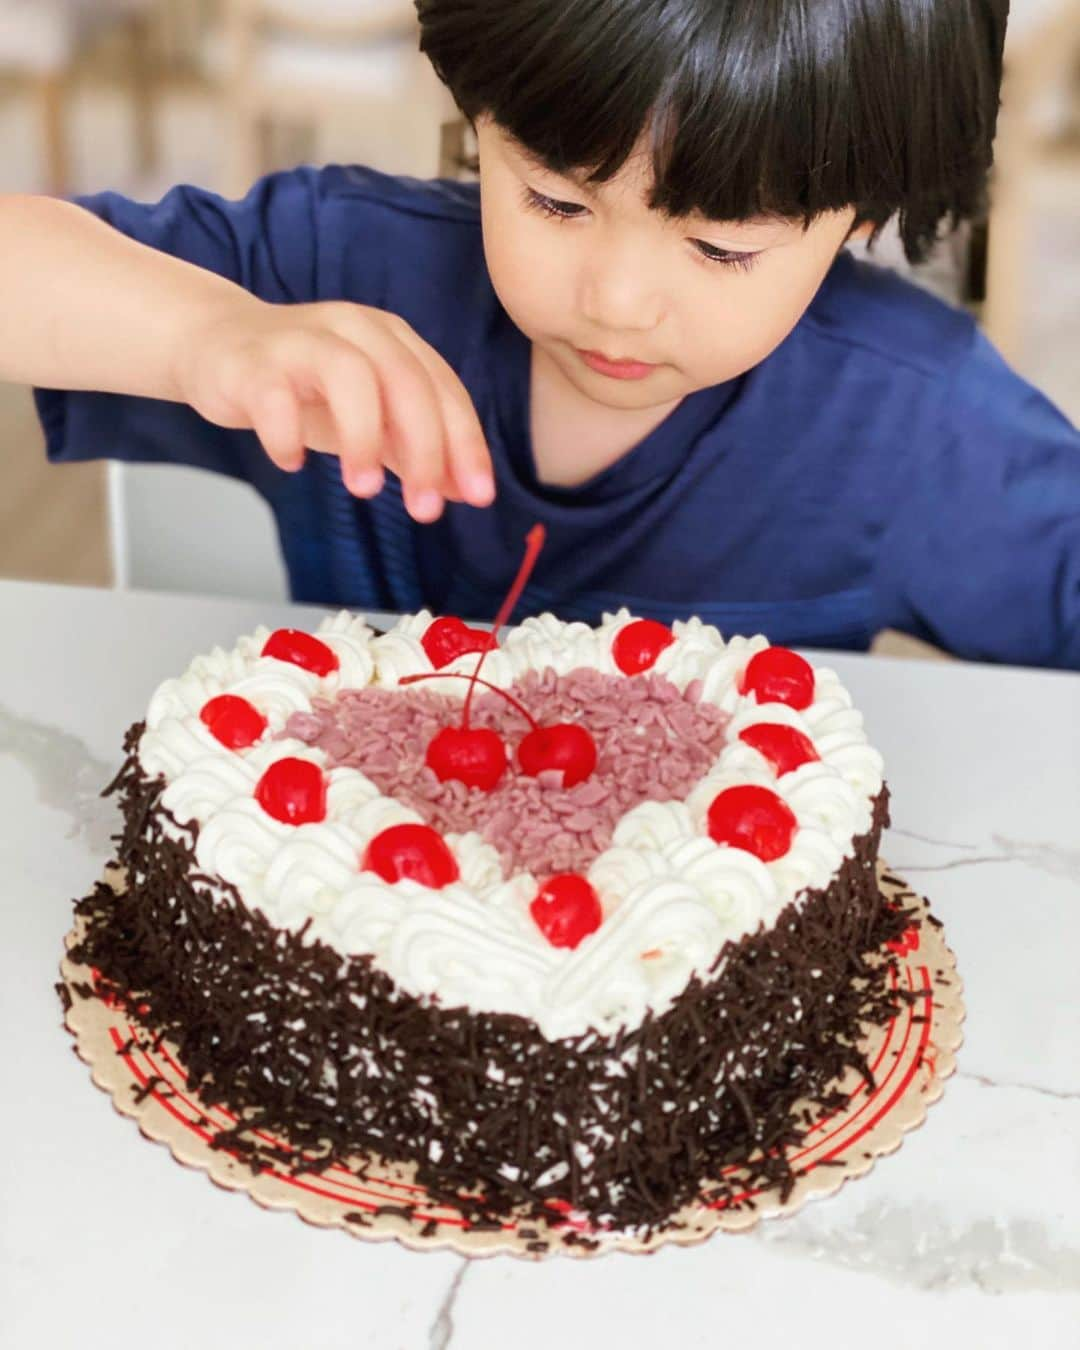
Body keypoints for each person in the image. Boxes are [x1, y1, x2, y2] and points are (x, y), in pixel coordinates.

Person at [1, 0, 1077, 666]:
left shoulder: (919, 429)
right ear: (480, 125)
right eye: (556, 202)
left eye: (721, 250)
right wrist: (208, 333)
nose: (614, 299)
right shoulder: (338, 272)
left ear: (866, 215)